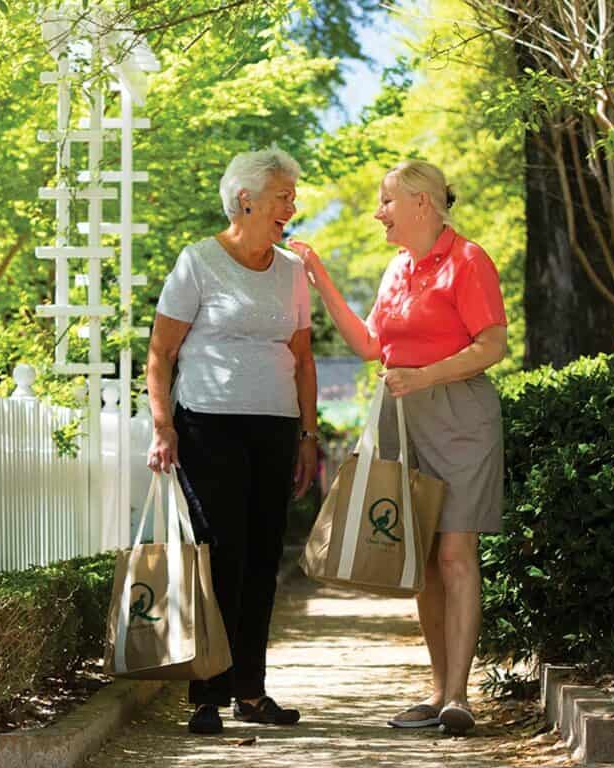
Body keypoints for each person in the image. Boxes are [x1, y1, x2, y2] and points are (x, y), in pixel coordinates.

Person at [288, 160, 507, 736]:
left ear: (421, 203)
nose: (378, 212)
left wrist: (427, 375)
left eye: (386, 201)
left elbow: (492, 345)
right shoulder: (395, 269)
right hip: (401, 418)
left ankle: (459, 697)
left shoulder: (468, 260)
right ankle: (438, 694)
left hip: (460, 416)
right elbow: (368, 344)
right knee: (426, 564)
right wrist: (319, 274)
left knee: (456, 555)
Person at [146, 148, 318, 736]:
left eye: (292, 197)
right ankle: (207, 695)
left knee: (264, 557)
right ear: (245, 199)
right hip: (208, 424)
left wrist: (308, 434)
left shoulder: (293, 271)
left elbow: (301, 358)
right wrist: (163, 426)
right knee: (222, 555)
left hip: (273, 426)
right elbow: (161, 352)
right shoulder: (198, 262)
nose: (291, 207)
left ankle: (251, 691)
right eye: (282, 196)